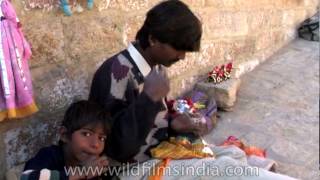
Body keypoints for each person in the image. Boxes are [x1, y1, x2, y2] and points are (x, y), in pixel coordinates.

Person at [89, 0, 296, 179]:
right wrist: (149, 98)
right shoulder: (115, 74)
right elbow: (117, 148)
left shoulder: (156, 65)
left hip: (160, 150)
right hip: (131, 169)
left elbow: (147, 124)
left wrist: (172, 125)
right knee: (224, 169)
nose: (182, 57)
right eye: (178, 49)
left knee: (232, 155)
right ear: (153, 39)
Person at [21, 100, 111, 180]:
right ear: (65, 135)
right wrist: (82, 172)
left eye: (101, 138)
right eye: (86, 134)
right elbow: (26, 177)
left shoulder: (95, 168)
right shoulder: (50, 156)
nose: (96, 144)